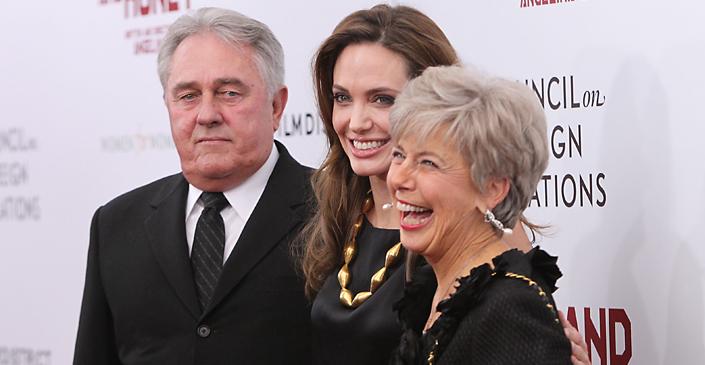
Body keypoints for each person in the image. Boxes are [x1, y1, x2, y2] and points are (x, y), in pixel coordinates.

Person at [301, 4, 589, 365]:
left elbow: (515, 330)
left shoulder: (481, 226)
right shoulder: (338, 204)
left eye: (382, 99)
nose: (356, 121)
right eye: (342, 97)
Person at [73, 8, 311, 364]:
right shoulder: (116, 224)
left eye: (229, 93)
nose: (206, 114)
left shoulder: (336, 210)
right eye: (187, 96)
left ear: (277, 107)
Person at [387, 65, 570, 364]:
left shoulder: (510, 309)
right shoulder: (434, 294)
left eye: (428, 163)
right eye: (399, 155)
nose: (399, 180)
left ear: (492, 189)